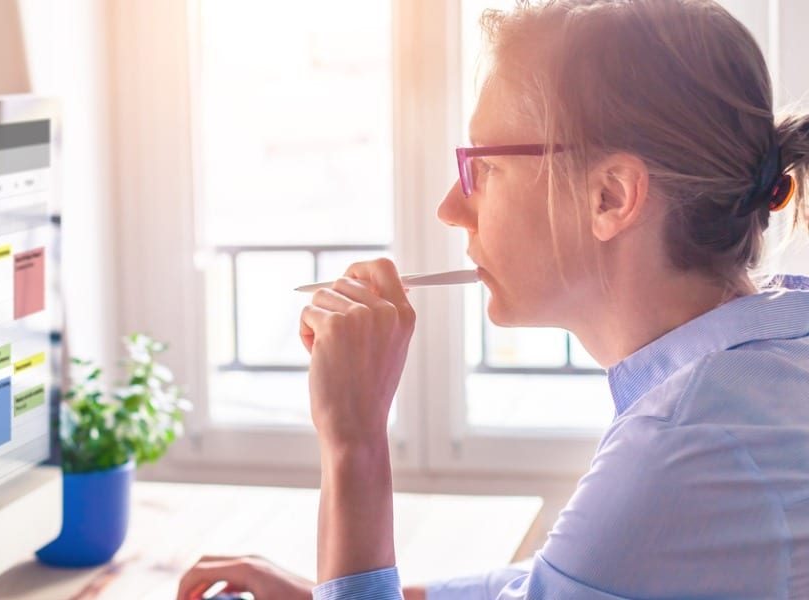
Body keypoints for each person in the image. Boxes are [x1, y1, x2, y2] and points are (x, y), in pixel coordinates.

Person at [177, 0, 809, 598]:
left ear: (611, 196)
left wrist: (354, 442)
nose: (451, 209)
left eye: (484, 168)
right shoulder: (766, 358)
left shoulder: (681, 444)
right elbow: (563, 577)